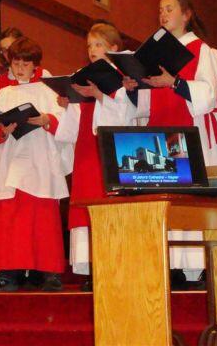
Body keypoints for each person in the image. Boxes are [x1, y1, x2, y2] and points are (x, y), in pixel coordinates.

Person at [124, 0, 217, 288]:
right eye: (160, 10)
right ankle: (172, 266)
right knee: (166, 201)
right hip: (159, 130)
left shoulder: (201, 50)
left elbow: (208, 94)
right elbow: (144, 105)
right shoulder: (152, 52)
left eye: (169, 9)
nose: (163, 15)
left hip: (189, 130)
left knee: (189, 202)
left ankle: (197, 267)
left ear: (186, 14)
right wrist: (133, 87)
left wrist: (176, 82)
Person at [0, 38, 70, 292]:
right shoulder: (5, 94)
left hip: (40, 160)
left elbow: (64, 121)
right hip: (13, 160)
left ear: (35, 66)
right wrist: (4, 131)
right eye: (16, 63)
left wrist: (46, 119)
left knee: (42, 216)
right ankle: (10, 272)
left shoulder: (46, 90)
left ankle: (49, 272)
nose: (19, 68)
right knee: (12, 216)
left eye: (25, 63)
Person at [55, 21, 133, 291]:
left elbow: (127, 114)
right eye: (89, 45)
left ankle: (110, 263)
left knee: (106, 203)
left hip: (110, 149)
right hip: (86, 148)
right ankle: (89, 268)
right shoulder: (81, 73)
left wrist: (100, 94)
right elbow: (72, 122)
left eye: (98, 44)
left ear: (113, 47)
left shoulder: (123, 75)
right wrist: (67, 103)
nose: (92, 50)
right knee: (86, 202)